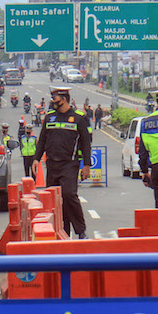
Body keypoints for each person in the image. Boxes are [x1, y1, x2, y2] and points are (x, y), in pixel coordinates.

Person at [31, 87, 92, 239]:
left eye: (55, 99)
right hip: (52, 164)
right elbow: (42, 140)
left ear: (64, 99)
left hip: (70, 164)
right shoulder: (49, 117)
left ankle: (80, 230)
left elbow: (86, 143)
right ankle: (63, 231)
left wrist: (87, 165)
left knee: (69, 194)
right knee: (55, 200)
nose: (53, 102)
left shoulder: (79, 118)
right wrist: (36, 159)